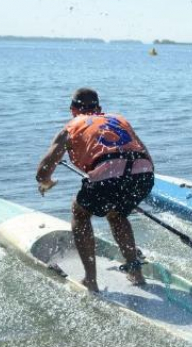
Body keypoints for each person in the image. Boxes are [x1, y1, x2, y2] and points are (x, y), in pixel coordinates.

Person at [35, 88, 155, 292]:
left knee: (79, 213)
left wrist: (46, 182)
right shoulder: (119, 119)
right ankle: (135, 273)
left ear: (73, 109)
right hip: (144, 175)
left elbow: (42, 171)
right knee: (117, 215)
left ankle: (90, 279)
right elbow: (146, 154)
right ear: (99, 108)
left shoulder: (71, 127)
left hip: (110, 176)